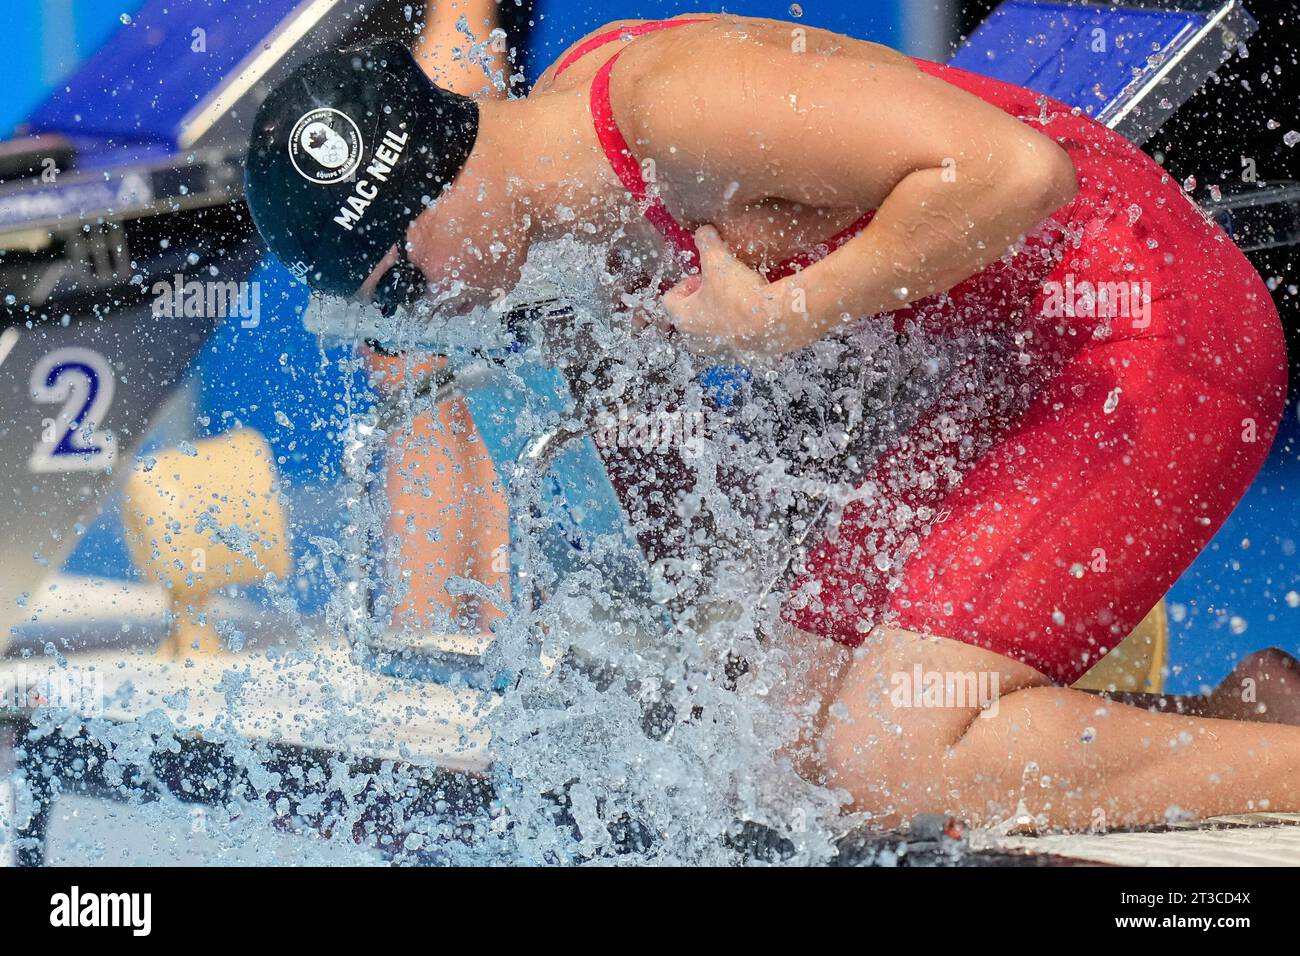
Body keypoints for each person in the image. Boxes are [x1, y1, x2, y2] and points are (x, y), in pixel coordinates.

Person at [243, 14, 1296, 830]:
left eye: (399, 293)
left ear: (430, 197)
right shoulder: (560, 237)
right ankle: (1247, 720)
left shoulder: (665, 105)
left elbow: (1019, 173)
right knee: (777, 741)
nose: (420, 324)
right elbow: (679, 535)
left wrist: (784, 315)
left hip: (1149, 324)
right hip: (1001, 366)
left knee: (888, 756)